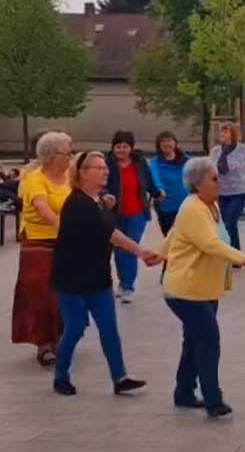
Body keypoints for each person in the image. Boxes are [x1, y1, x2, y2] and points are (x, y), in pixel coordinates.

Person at [151, 156, 245, 418]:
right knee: (209, 340)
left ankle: (184, 392)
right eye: (214, 178)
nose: (219, 182)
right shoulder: (193, 208)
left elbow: (174, 234)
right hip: (186, 290)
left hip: (203, 288)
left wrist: (159, 253)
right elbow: (210, 244)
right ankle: (213, 400)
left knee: (194, 340)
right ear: (198, 183)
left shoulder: (208, 205)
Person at [51, 151, 152, 396]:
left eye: (105, 168)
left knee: (109, 328)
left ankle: (120, 377)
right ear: (82, 173)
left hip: (97, 275)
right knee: (75, 328)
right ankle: (60, 376)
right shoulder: (78, 204)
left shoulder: (96, 201)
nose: (105, 171)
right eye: (98, 168)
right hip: (72, 278)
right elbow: (112, 234)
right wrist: (141, 252)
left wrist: (107, 205)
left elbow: (108, 226)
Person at [13, 131, 73, 367]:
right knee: (39, 292)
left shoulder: (70, 176)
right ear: (52, 155)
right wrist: (69, 228)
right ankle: (44, 344)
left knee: (64, 292)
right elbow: (44, 210)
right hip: (37, 242)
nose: (71, 156)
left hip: (65, 242)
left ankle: (62, 337)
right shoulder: (33, 178)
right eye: (68, 152)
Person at [105, 130, 163, 302]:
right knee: (118, 249)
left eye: (125, 146)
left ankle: (128, 286)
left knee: (130, 248)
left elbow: (149, 182)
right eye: (118, 146)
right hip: (114, 213)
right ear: (113, 148)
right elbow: (101, 184)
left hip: (136, 213)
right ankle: (123, 282)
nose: (121, 150)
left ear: (131, 148)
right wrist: (105, 196)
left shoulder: (139, 163)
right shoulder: (107, 164)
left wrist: (157, 193)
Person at [148, 131, 190, 236]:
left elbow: (195, 177)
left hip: (185, 205)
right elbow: (155, 177)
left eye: (169, 140)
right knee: (170, 237)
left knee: (186, 237)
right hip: (165, 206)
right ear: (158, 145)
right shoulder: (155, 161)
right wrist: (159, 189)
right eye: (163, 141)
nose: (167, 144)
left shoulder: (186, 160)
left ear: (175, 143)